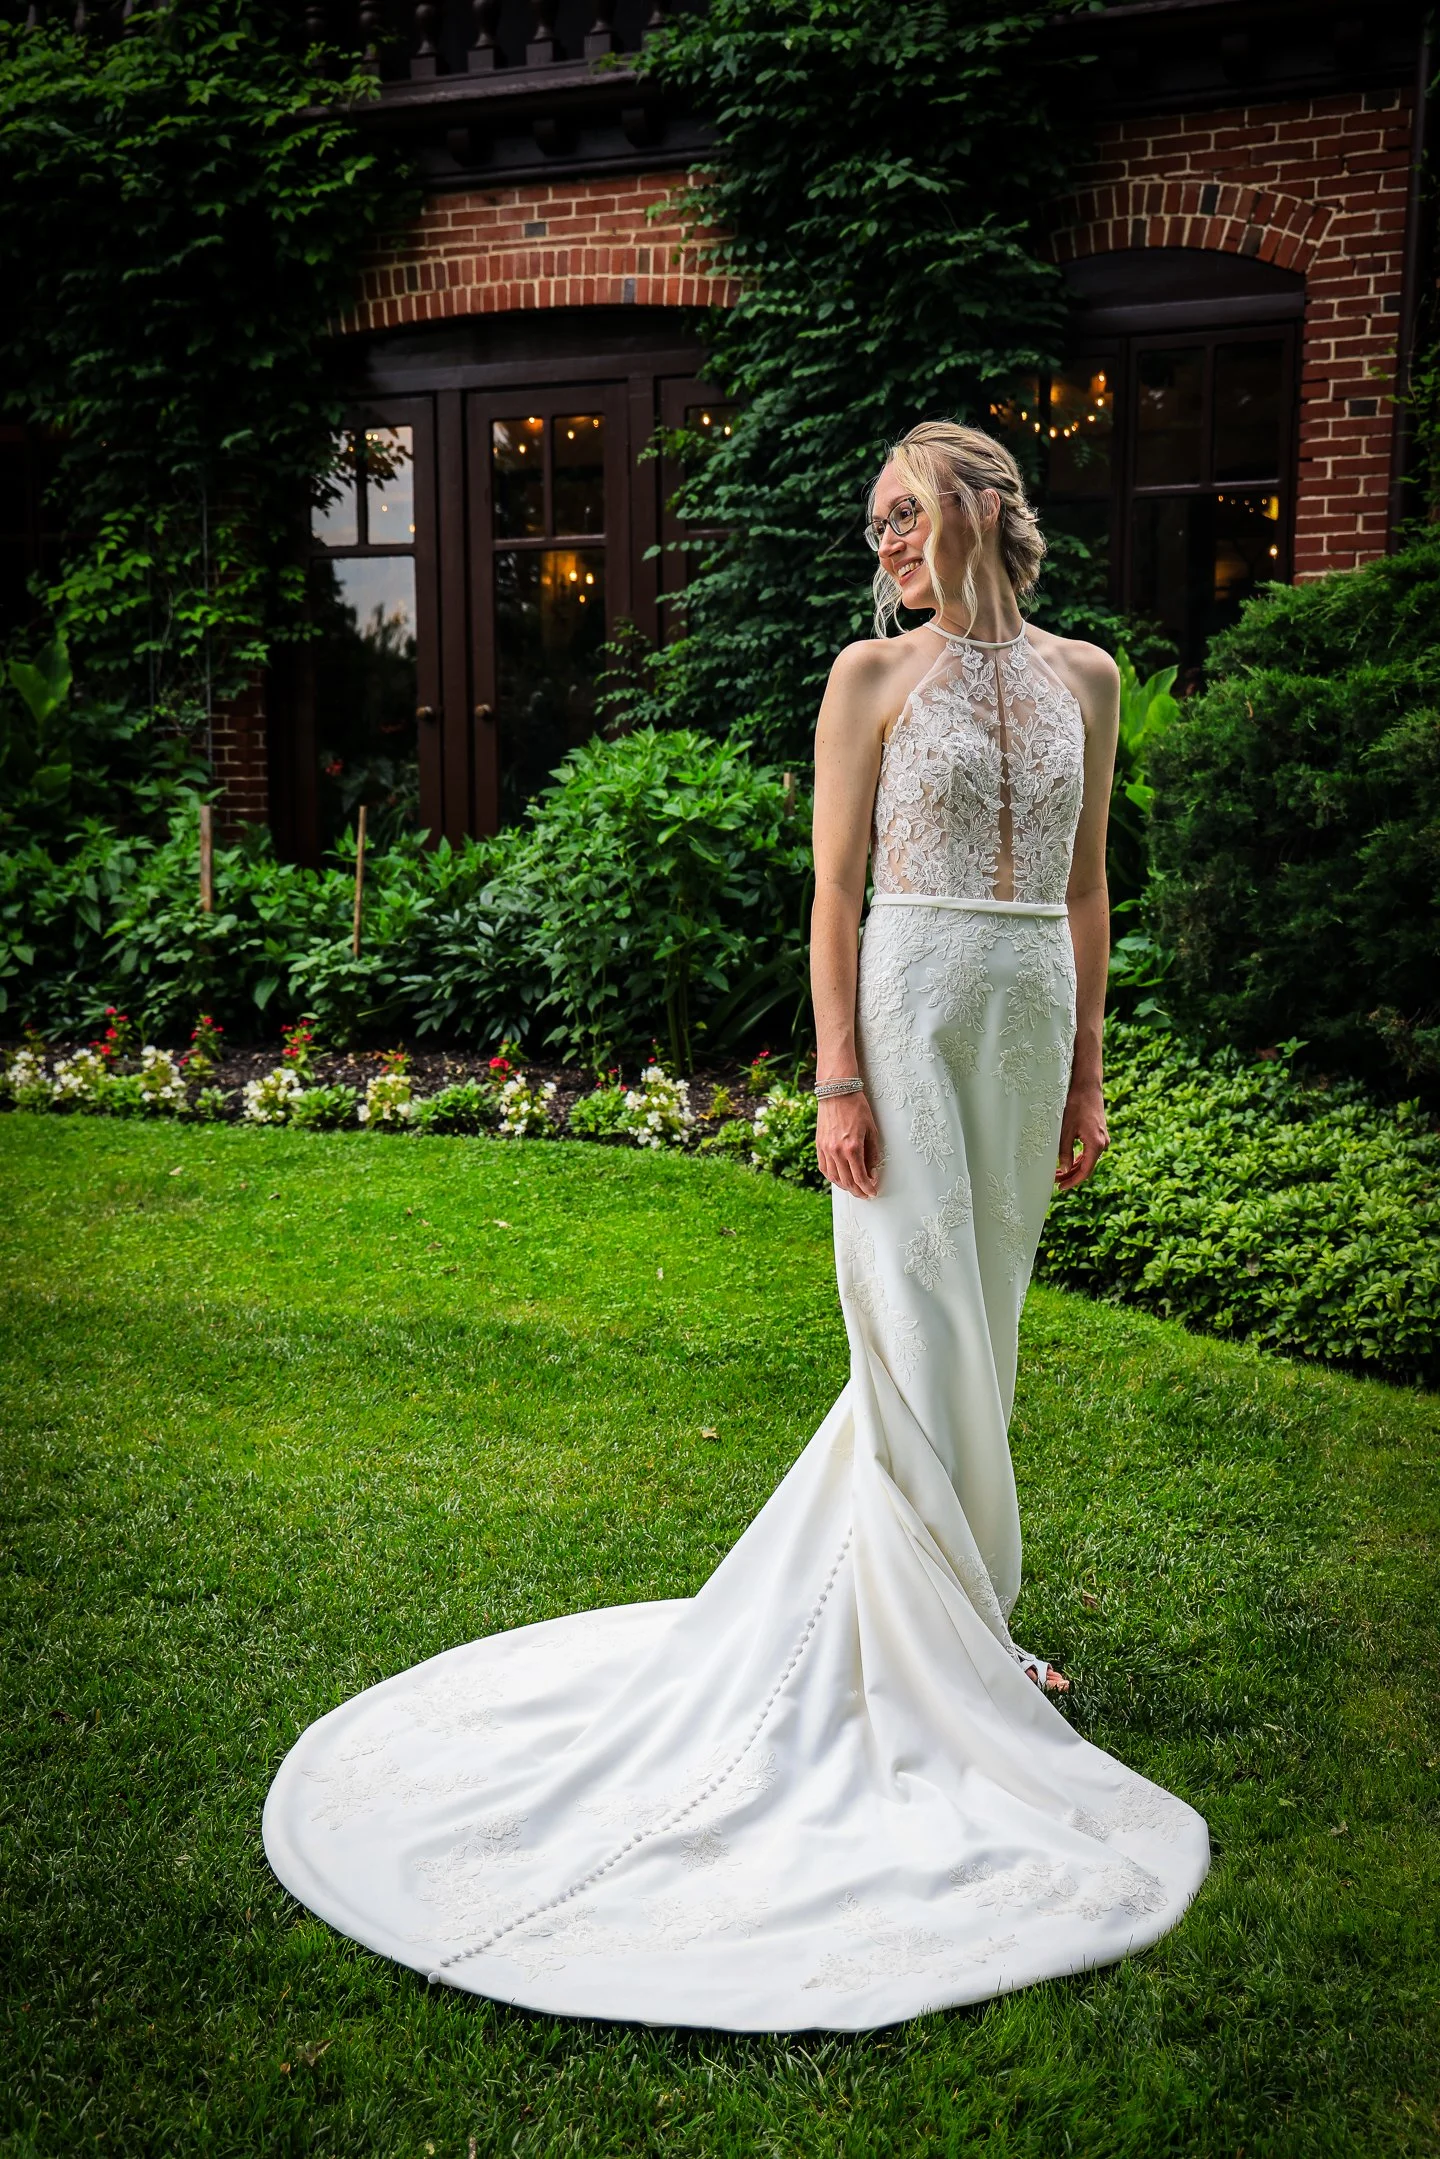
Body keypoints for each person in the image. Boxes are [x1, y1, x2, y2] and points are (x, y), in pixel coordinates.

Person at [264, 420, 1209, 2034]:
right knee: (908, 1322)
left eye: (905, 513)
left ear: (981, 504)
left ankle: (968, 1617)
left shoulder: (1090, 677)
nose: (887, 544)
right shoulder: (869, 678)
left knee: (980, 1330)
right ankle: (949, 1657)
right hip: (909, 1012)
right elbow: (834, 894)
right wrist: (840, 1073)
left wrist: (1089, 1076)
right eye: (874, 524)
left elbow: (1087, 887)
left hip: (1023, 1017)